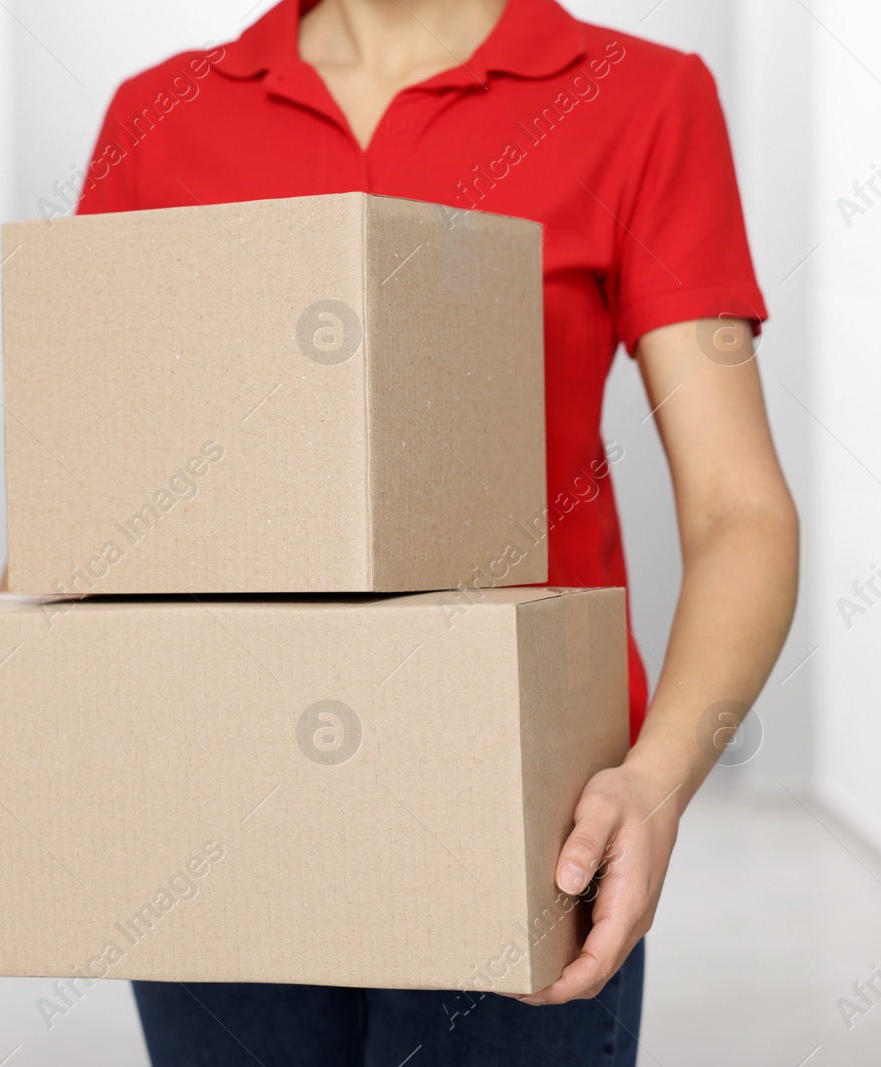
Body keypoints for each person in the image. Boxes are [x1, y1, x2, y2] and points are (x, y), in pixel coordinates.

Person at [49, 0, 800, 1063]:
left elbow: (740, 510)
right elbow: (87, 511)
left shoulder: (637, 97)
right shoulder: (159, 116)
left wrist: (656, 779)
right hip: (215, 798)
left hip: (524, 822)